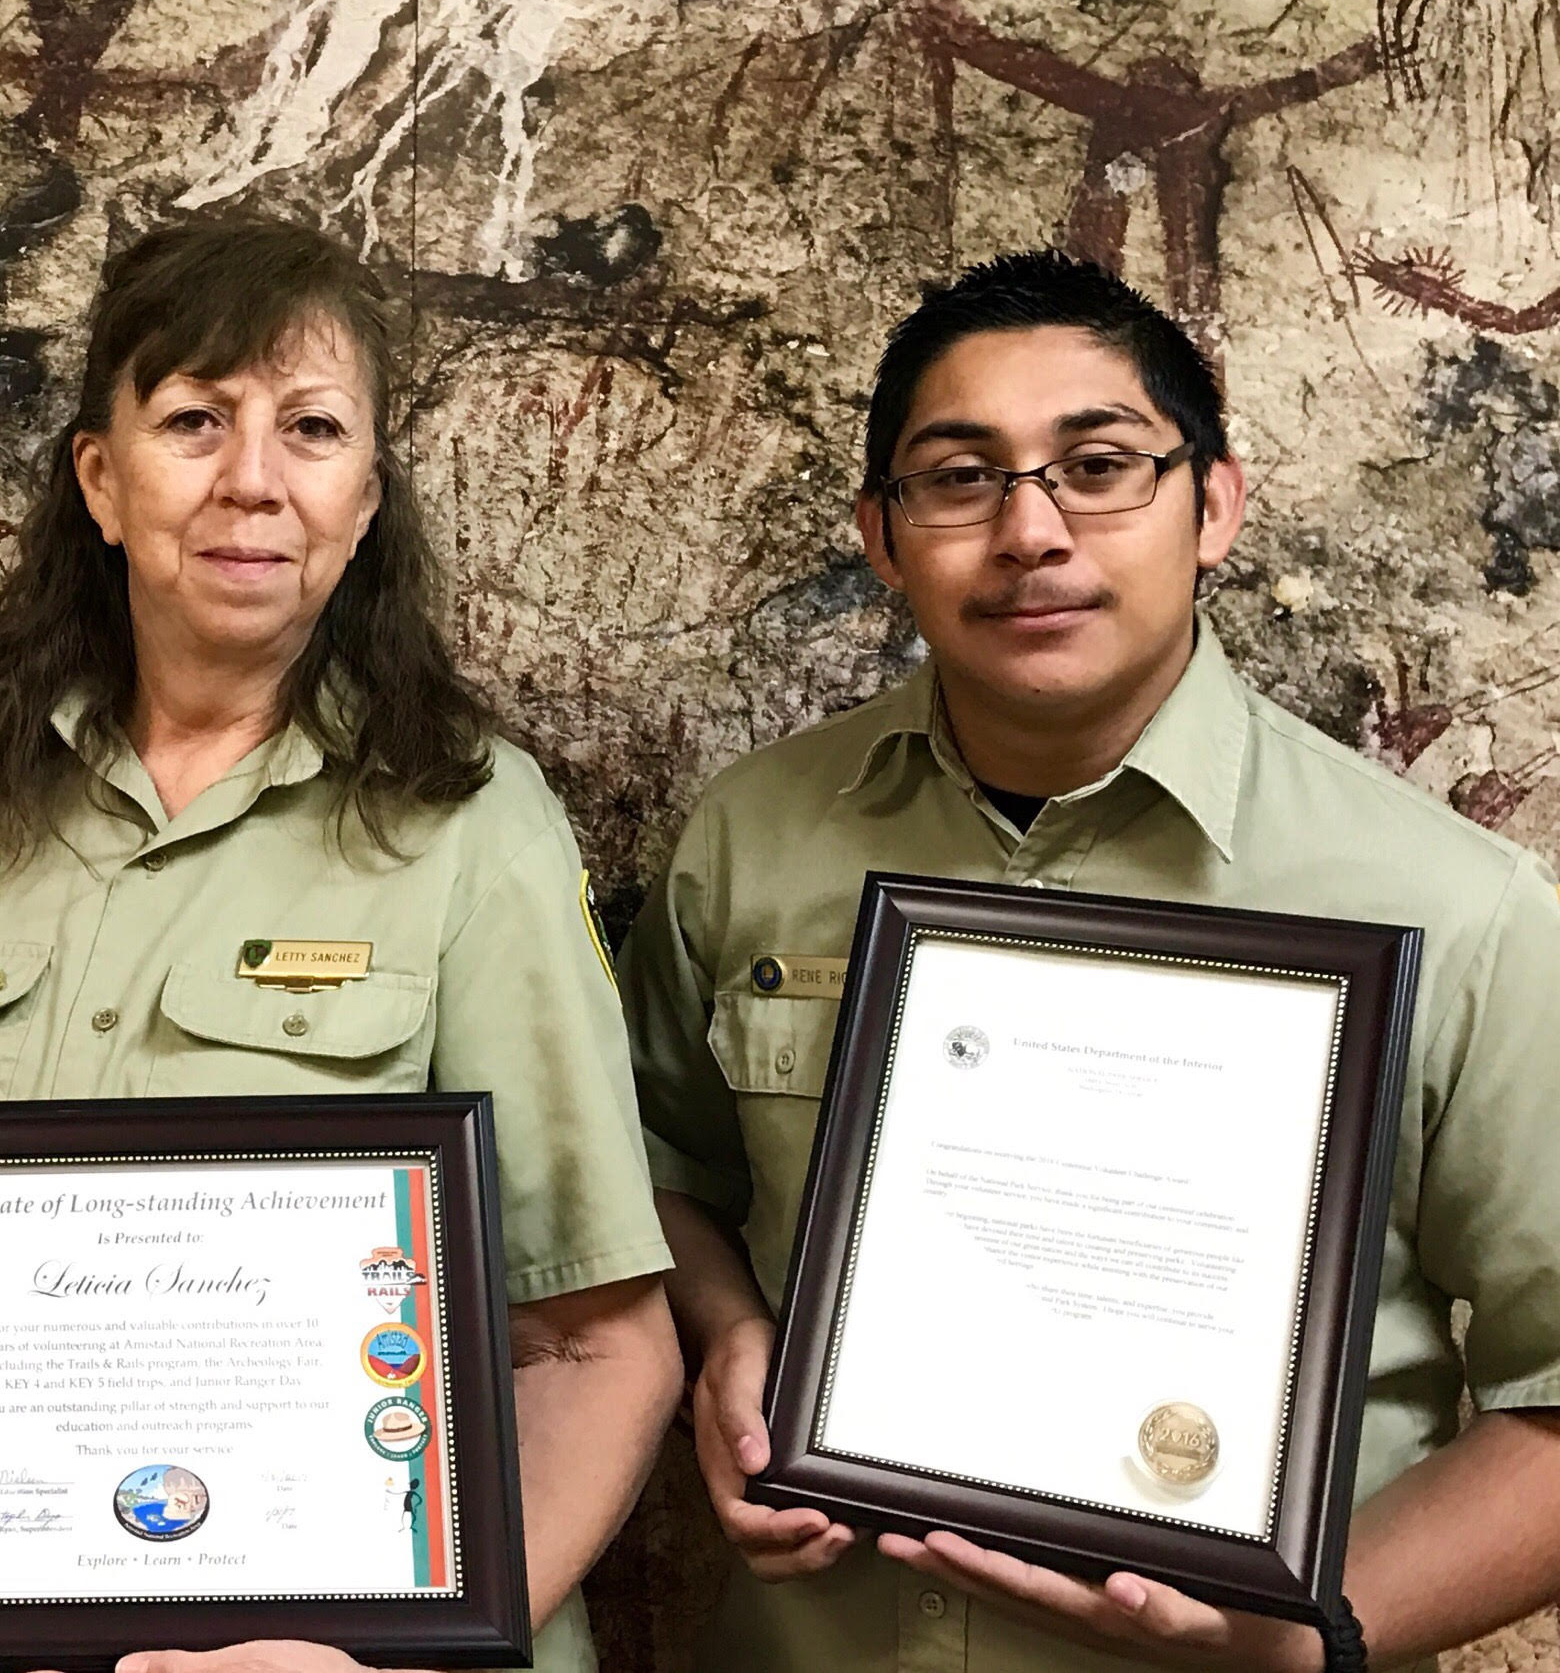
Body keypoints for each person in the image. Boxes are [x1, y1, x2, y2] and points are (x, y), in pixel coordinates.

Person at [0, 215, 683, 1673]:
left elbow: (595, 1341)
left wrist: (385, 1659)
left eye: (312, 428)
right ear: (100, 480)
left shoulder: (472, 824)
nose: (254, 478)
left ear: (364, 500)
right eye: (195, 420)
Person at [625, 250, 1560, 1672]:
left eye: (1101, 467)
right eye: (960, 479)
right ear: (882, 536)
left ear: (1214, 506)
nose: (1031, 531)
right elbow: (659, 1171)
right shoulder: (755, 837)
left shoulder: (1458, 909)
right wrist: (726, 1334)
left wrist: (1305, 1639)